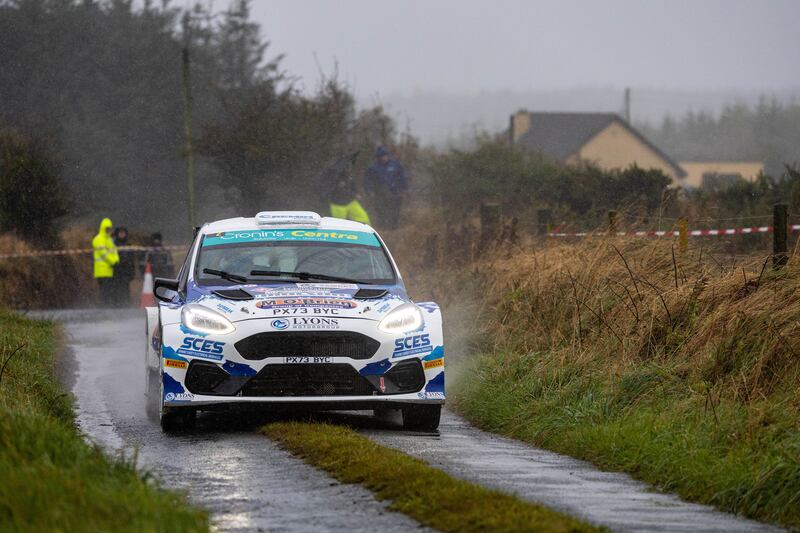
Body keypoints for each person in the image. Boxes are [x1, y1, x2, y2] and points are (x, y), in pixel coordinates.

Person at [363, 145, 408, 229]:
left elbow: (402, 177)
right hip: (380, 194)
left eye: (385, 156)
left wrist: (403, 190)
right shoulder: (373, 168)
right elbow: (367, 181)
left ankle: (394, 227)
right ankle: (382, 228)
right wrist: (370, 191)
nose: (383, 158)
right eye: (381, 156)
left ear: (387, 155)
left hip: (395, 193)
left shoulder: (395, 165)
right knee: (381, 211)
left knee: (395, 211)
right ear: (377, 157)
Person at [322, 152, 371, 224]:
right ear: (343, 169)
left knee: (364, 219)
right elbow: (332, 190)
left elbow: (353, 187)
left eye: (350, 167)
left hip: (351, 202)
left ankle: (365, 233)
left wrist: (356, 194)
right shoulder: (334, 178)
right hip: (338, 204)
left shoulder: (349, 178)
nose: (349, 169)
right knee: (339, 225)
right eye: (347, 168)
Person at [92, 217, 119, 306]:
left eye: (109, 229)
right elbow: (103, 254)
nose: (108, 230)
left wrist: (116, 261)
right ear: (103, 228)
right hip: (101, 270)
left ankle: (106, 306)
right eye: (107, 228)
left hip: (109, 270)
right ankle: (104, 307)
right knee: (104, 291)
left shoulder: (109, 240)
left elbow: (114, 251)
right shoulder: (98, 239)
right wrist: (113, 262)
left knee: (108, 290)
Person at [112, 226, 135, 307]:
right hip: (116, 271)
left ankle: (126, 305)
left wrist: (132, 272)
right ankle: (117, 305)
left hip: (126, 271)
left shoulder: (128, 245)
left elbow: (132, 260)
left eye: (123, 233)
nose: (122, 235)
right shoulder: (113, 244)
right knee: (116, 289)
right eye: (120, 233)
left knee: (125, 289)